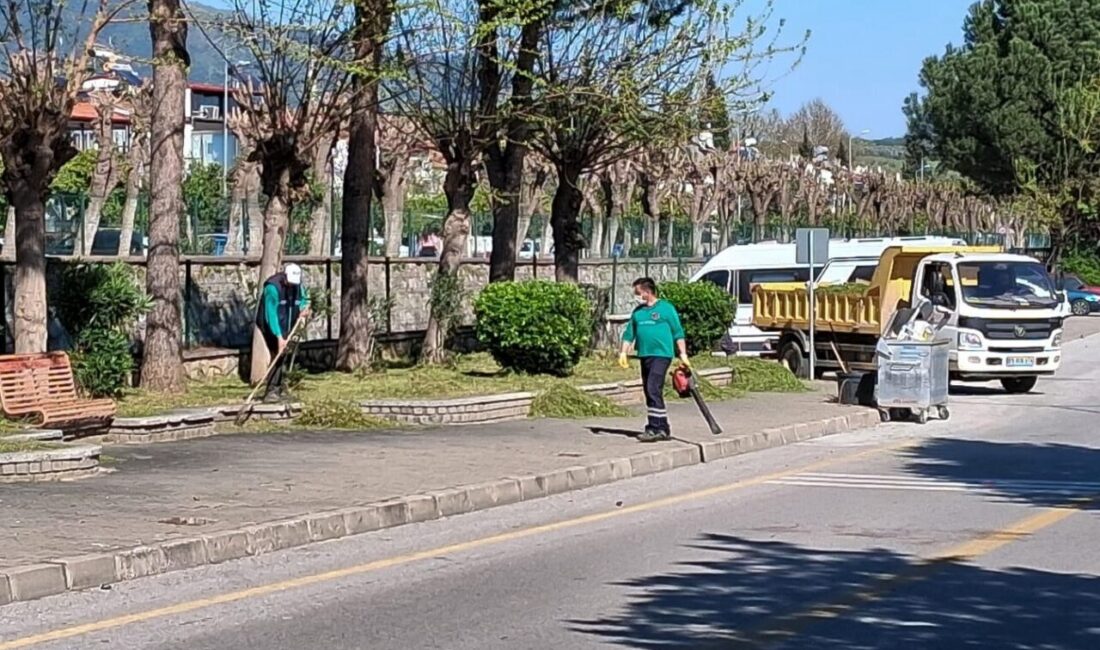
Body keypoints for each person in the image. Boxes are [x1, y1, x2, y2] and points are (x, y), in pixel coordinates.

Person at [618, 277, 689, 442]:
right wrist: (623, 352)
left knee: (653, 388)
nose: (636, 295)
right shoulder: (638, 312)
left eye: (638, 292)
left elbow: (678, 333)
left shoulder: (666, 309)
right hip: (645, 355)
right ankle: (662, 427)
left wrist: (683, 354)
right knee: (649, 391)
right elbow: (629, 334)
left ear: (647, 292)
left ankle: (654, 427)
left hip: (661, 355)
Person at [255, 263, 311, 402]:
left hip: (288, 323)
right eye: (289, 282)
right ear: (284, 276)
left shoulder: (297, 285)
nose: (292, 286)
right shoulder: (272, 289)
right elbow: (271, 315)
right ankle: (271, 391)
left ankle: (279, 388)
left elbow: (304, 300)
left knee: (283, 354)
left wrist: (304, 309)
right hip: (270, 325)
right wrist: (279, 337)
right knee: (277, 353)